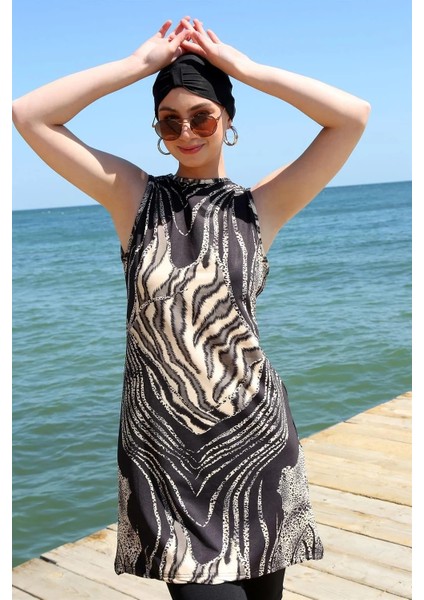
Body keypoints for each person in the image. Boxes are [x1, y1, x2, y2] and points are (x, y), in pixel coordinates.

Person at [12, 17, 370, 600]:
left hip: (256, 446)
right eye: (169, 120)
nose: (187, 132)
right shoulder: (134, 197)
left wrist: (245, 69)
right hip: (165, 456)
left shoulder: (259, 207)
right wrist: (137, 66)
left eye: (202, 116)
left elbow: (351, 117)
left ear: (227, 120)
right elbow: (30, 115)